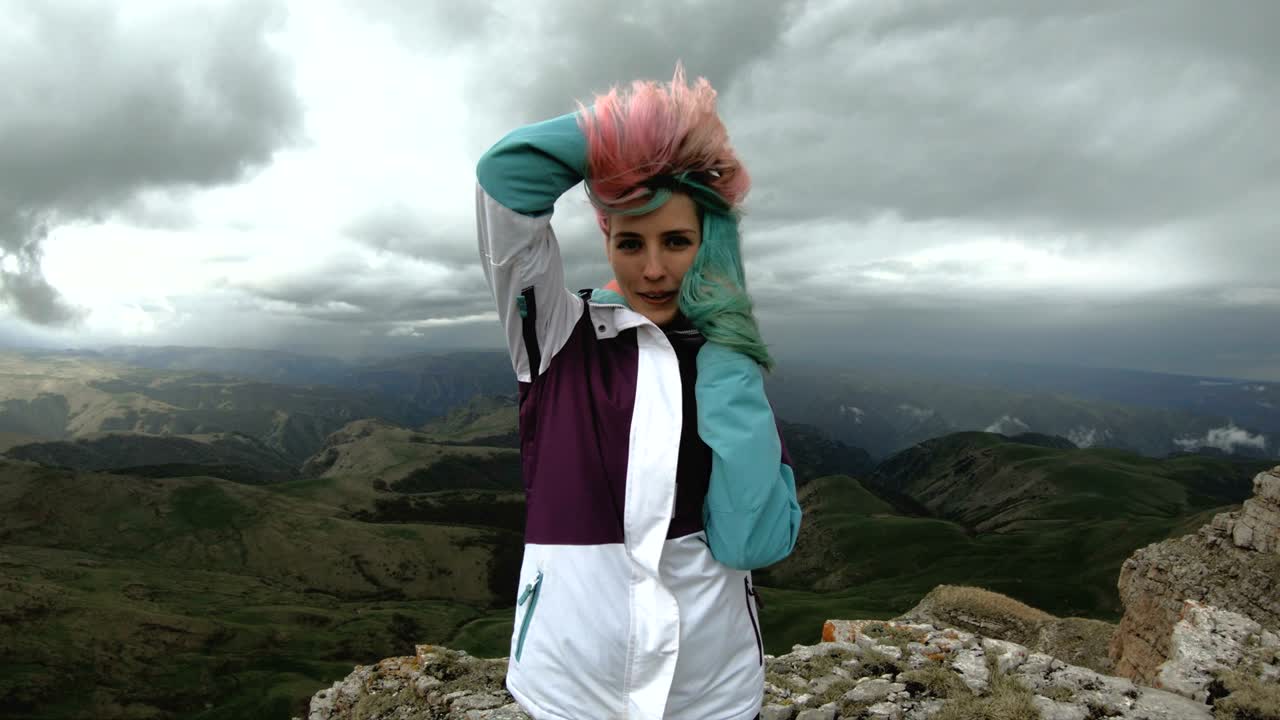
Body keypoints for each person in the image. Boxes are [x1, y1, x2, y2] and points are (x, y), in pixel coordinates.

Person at [474, 64, 802, 720]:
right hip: (570, 692)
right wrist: (645, 134)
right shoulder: (555, 335)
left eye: (677, 241)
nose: (653, 267)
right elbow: (506, 177)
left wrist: (730, 349)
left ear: (710, 246)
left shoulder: (722, 361)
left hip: (712, 693)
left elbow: (751, 542)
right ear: (608, 241)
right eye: (631, 242)